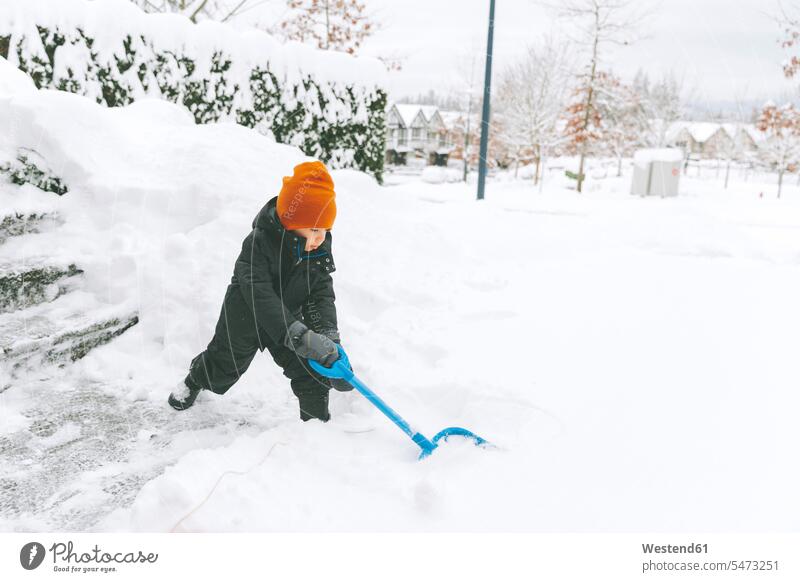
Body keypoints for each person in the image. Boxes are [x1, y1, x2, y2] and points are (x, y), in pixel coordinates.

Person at [168, 160, 352, 421]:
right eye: (314, 229)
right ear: (291, 222)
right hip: (246, 314)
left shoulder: (317, 249)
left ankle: (315, 426)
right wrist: (298, 335)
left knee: (310, 369)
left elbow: (320, 293)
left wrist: (328, 342)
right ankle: (194, 379)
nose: (321, 237)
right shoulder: (258, 244)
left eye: (325, 229)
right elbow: (258, 293)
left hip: (288, 317)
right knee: (224, 365)